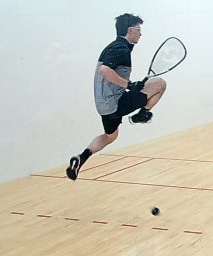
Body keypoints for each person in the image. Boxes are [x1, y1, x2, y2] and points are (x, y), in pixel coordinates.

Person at [66, 13, 167, 180]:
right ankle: (142, 114)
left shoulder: (112, 47)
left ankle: (81, 157)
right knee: (160, 84)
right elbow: (105, 70)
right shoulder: (121, 49)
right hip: (116, 103)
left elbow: (111, 75)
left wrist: (132, 84)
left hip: (104, 107)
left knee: (110, 136)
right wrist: (128, 85)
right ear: (130, 30)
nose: (140, 33)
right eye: (138, 30)